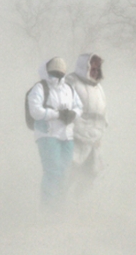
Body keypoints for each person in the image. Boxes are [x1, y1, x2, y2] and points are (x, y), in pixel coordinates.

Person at [28, 57, 83, 210]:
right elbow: (35, 111)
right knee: (53, 171)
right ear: (47, 71)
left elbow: (79, 106)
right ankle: (47, 210)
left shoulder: (69, 89)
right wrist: (57, 114)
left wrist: (72, 114)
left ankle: (59, 209)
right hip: (47, 135)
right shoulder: (40, 88)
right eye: (54, 72)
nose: (57, 76)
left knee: (65, 173)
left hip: (67, 136)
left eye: (60, 73)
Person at [66, 53, 108, 194]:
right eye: (92, 68)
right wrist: (77, 132)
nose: (95, 72)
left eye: (98, 69)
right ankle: (57, 208)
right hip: (76, 138)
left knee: (90, 174)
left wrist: (101, 132)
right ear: (85, 67)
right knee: (70, 173)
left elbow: (103, 112)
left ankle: (79, 206)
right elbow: (67, 109)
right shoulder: (71, 82)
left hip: (94, 140)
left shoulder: (98, 88)